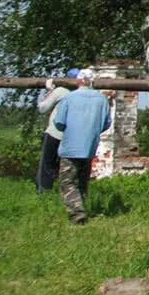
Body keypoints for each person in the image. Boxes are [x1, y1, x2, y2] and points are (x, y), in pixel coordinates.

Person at [51, 68, 111, 224]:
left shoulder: (69, 98)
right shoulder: (102, 100)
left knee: (68, 181)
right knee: (82, 180)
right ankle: (82, 207)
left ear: (78, 81)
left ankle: (77, 213)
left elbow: (59, 122)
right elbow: (106, 124)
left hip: (70, 146)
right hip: (90, 146)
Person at [35, 68, 79, 194]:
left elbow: (42, 108)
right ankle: (65, 191)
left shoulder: (60, 91)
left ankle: (44, 191)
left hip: (55, 133)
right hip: (72, 136)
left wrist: (49, 91)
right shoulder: (82, 94)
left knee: (46, 164)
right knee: (66, 165)